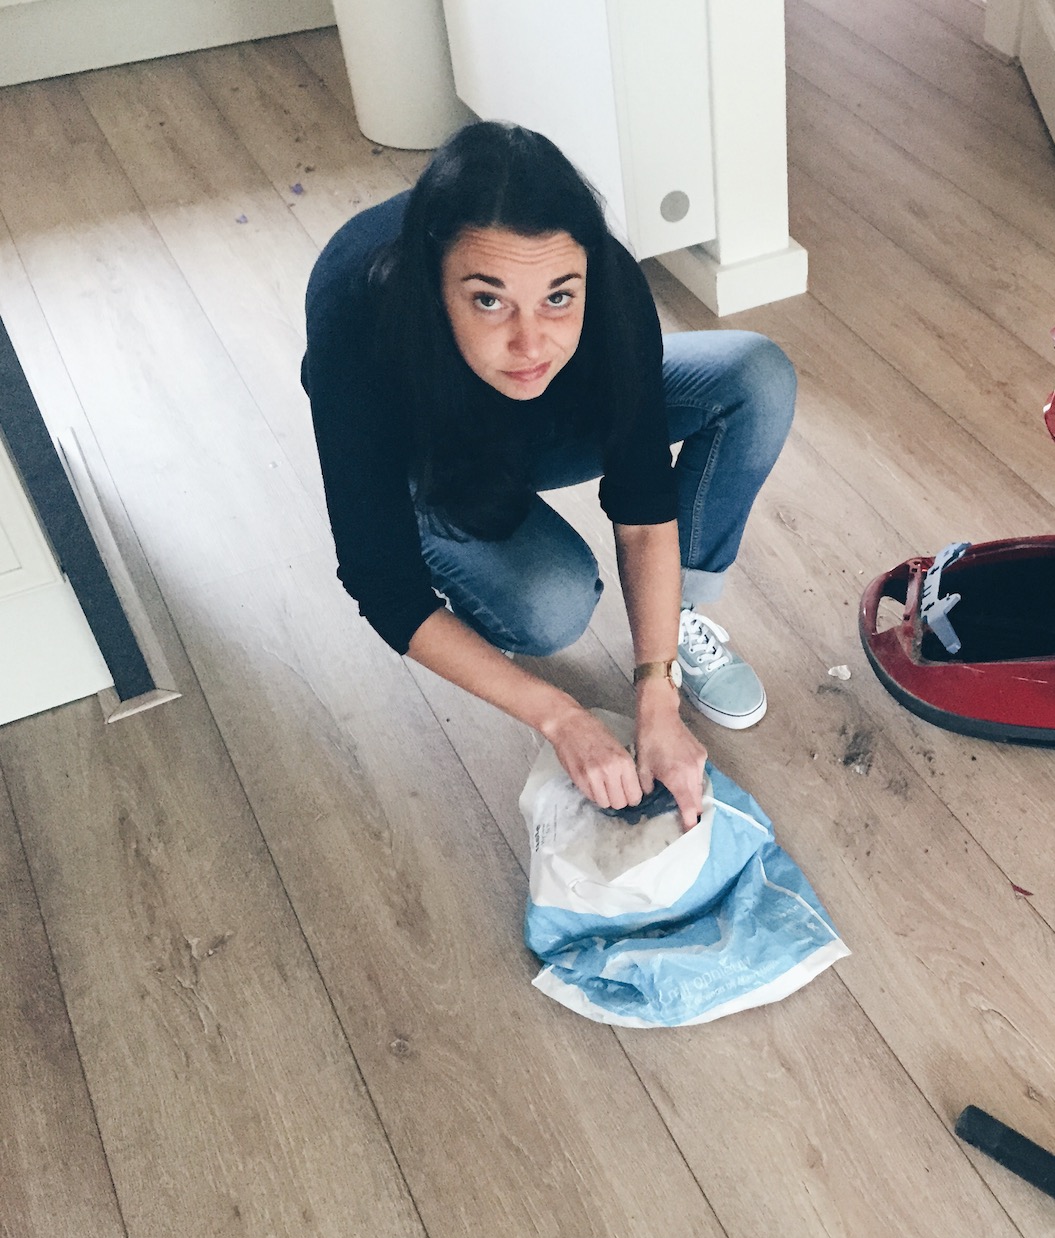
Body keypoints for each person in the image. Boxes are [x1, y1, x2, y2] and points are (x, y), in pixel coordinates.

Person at [301, 121, 794, 829]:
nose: (530, 343)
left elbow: (643, 506)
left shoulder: (608, 284)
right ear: (433, 287)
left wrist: (656, 694)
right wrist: (560, 716)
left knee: (756, 378)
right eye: (489, 300)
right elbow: (382, 585)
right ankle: (471, 560)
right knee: (551, 604)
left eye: (558, 298)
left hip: (548, 424)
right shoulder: (357, 314)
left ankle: (677, 616)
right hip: (433, 451)